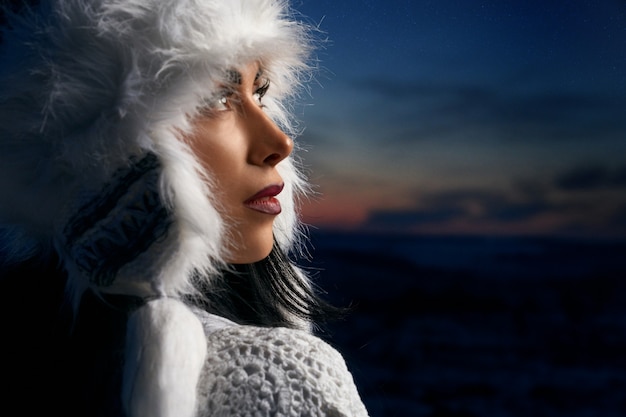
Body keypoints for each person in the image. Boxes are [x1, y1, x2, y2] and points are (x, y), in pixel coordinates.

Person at [0, 0, 369, 415]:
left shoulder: (32, 350)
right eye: (216, 98)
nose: (280, 143)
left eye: (259, 93)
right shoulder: (280, 373)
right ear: (111, 153)